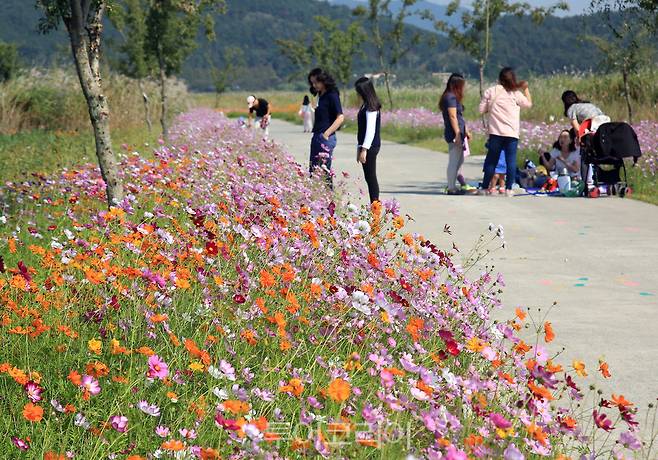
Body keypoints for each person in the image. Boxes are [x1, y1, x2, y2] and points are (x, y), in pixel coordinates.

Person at [479, 67, 532, 197]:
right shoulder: (516, 94)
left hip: (495, 133)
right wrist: (525, 89)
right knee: (511, 161)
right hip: (512, 133)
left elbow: (481, 110)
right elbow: (528, 104)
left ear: (499, 79)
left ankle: (485, 187)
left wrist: (491, 109)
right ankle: (509, 188)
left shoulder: (491, 91)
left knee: (492, 160)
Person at [308, 68, 344, 187]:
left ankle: (329, 201)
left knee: (324, 171)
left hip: (325, 137)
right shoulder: (320, 95)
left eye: (316, 82)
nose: (314, 85)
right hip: (317, 135)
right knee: (313, 170)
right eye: (312, 83)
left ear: (323, 81)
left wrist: (326, 134)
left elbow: (340, 117)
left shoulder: (332, 95)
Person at [439, 73, 471, 195]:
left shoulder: (451, 97)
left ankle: (452, 185)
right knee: (454, 160)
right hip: (454, 133)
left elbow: (459, 116)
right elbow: (453, 116)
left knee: (459, 160)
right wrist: (457, 133)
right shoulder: (450, 97)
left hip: (459, 132)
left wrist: (465, 130)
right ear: (457, 86)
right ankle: (451, 187)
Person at [354, 76, 382, 203]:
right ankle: (374, 205)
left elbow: (370, 131)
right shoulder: (366, 105)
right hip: (366, 145)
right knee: (369, 177)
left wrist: (364, 149)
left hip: (370, 146)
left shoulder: (371, 107)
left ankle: (375, 206)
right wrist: (359, 149)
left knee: (371, 178)